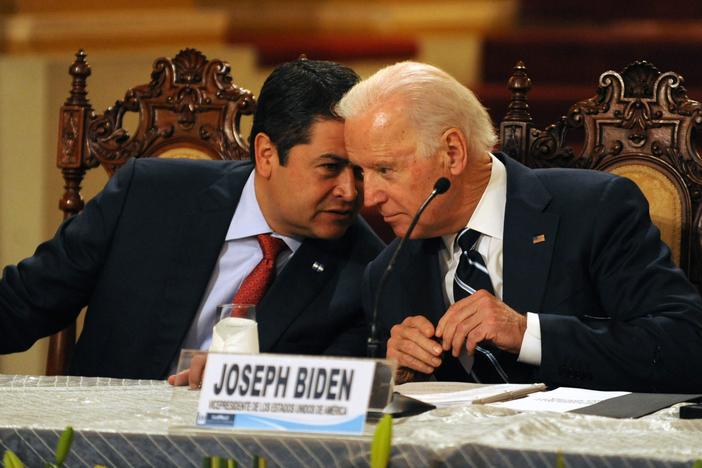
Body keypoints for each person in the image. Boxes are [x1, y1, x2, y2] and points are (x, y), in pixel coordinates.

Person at [0, 59, 384, 381]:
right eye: (330, 167)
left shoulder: (368, 269)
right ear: (266, 154)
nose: (350, 192)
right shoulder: (147, 197)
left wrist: (242, 381)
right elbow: (24, 302)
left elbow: (334, 398)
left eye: (361, 170)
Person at [336, 61, 702, 393]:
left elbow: (686, 347)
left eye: (385, 170)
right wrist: (395, 373)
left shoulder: (593, 209)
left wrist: (528, 333)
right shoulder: (387, 273)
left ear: (452, 153)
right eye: (360, 172)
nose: (368, 198)